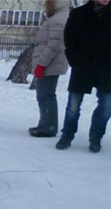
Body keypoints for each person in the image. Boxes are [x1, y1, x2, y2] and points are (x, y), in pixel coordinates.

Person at [56, 0, 111, 152]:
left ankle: (96, 137)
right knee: (73, 106)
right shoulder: (79, 13)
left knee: (107, 106)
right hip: (83, 67)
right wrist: (74, 60)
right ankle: (66, 136)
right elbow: (69, 37)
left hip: (107, 69)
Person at [28, 0, 70, 138]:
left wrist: (42, 64)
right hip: (50, 64)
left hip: (50, 64)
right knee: (45, 95)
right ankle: (45, 124)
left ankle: (48, 128)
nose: (46, 6)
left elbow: (54, 45)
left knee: (45, 96)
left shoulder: (59, 19)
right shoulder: (58, 17)